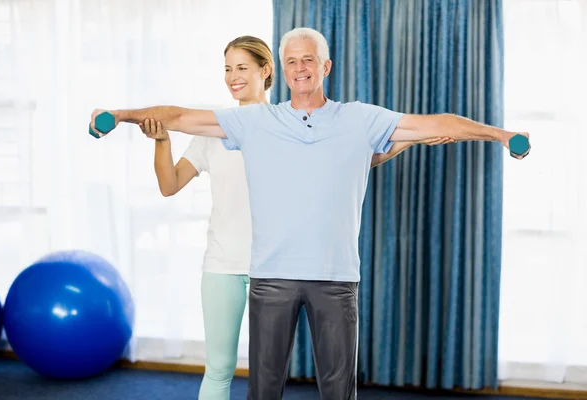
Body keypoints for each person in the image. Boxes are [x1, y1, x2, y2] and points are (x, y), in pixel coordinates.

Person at [90, 27, 528, 400]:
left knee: (338, 391)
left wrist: (502, 135)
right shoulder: (256, 123)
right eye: (292, 61)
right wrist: (120, 115)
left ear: (326, 67)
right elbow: (180, 115)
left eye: (309, 60)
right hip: (270, 277)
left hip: (336, 279)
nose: (300, 68)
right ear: (281, 69)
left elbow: (436, 123)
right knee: (262, 389)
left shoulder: (360, 119)